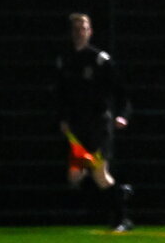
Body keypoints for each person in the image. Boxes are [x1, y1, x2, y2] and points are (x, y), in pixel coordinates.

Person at [55, 13, 134, 231]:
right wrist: (63, 119)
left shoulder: (100, 60)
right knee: (75, 176)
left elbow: (122, 93)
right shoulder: (64, 60)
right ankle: (121, 193)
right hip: (77, 126)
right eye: (76, 28)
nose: (80, 31)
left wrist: (122, 116)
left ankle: (121, 219)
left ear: (90, 31)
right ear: (71, 33)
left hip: (99, 124)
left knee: (99, 173)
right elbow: (62, 94)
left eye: (84, 28)